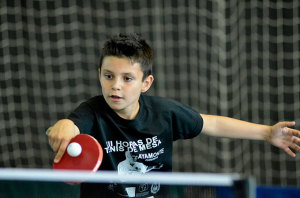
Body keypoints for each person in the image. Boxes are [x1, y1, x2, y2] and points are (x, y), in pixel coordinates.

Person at [47, 33, 300, 198]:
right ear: (99, 74)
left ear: (146, 83)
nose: (116, 86)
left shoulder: (163, 113)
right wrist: (64, 126)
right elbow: (71, 125)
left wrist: (266, 132)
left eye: (127, 79)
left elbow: (210, 123)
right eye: (108, 76)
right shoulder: (91, 112)